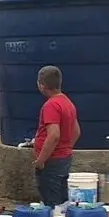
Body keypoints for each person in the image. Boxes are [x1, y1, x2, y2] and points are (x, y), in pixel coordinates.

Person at [32, 65, 80, 207]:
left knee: (51, 204)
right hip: (64, 159)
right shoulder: (68, 103)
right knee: (62, 201)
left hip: (51, 162)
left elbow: (53, 135)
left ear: (41, 85)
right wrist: (66, 148)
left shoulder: (51, 105)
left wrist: (41, 161)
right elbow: (76, 131)